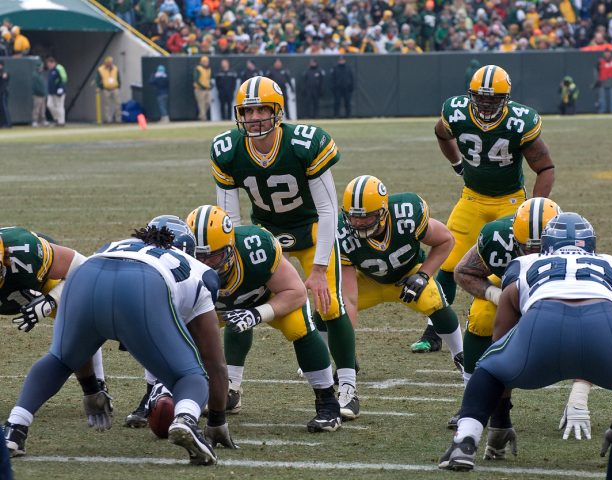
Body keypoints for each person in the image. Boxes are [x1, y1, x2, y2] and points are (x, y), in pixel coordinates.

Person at [5, 218, 236, 465]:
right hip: (142, 285)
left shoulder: (117, 245)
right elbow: (215, 363)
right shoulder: (199, 271)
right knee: (190, 374)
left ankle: (14, 428)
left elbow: (84, 345)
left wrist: (91, 389)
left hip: (85, 275)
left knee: (59, 360)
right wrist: (217, 420)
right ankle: (186, 420)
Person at [439, 212, 612, 471]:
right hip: (605, 323)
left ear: (546, 243)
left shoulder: (524, 263)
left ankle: (465, 442)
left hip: (544, 321)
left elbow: (500, 337)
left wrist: (500, 420)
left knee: (489, 366)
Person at [210, 76, 359, 420]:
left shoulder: (304, 143)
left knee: (330, 304)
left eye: (262, 109)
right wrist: (239, 260)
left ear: (277, 111)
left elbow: (328, 211)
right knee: (238, 300)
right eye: (248, 111)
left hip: (312, 227)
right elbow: (231, 220)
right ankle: (232, 386)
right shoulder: (227, 149)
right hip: (265, 232)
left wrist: (318, 270)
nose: (255, 117)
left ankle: (348, 386)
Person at [413, 64, 555, 350]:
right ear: (471, 95)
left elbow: (545, 168)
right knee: (448, 264)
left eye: (493, 99)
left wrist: (533, 208)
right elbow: (441, 133)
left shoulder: (519, 121)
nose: (486, 104)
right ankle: (435, 330)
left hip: (510, 201)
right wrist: (457, 163)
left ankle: (517, 324)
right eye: (481, 97)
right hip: (472, 198)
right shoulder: (456, 112)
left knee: (506, 267)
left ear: (506, 99)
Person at [187, 205, 341, 431]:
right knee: (178, 332)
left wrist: (256, 314)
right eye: (198, 256)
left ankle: (328, 404)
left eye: (214, 256)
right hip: (213, 308)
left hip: (269, 298)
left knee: (298, 325)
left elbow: (297, 293)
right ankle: (158, 395)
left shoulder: (255, 246)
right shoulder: (181, 260)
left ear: (231, 247)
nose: (205, 264)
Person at [449, 198, 585, 438]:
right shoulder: (498, 237)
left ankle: (581, 400)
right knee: (481, 316)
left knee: (583, 326)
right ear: (514, 237)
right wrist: (494, 294)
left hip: (561, 292)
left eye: (541, 247)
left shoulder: (576, 240)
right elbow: (463, 272)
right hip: (512, 287)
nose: (534, 254)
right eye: (528, 248)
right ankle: (473, 397)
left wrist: (579, 396)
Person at [339, 176, 464, 380]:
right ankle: (330, 360)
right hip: (368, 280)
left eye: (366, 217)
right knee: (329, 308)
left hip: (408, 276)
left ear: (382, 212)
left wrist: (423, 275)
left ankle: (461, 355)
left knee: (435, 301)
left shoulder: (406, 214)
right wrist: (346, 354)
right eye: (353, 216)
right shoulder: (341, 232)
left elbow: (446, 240)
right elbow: (349, 299)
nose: (358, 222)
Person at [1, 226, 107, 455]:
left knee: (78, 315)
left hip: (36, 283)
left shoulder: (26, 251)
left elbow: (85, 269)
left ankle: (97, 385)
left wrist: (50, 300)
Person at [96, 56, 122, 124]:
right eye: (108, 62)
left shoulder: (115, 69)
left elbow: (118, 78)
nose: (110, 64)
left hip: (115, 88)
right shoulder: (100, 69)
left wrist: (119, 86)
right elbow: (98, 79)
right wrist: (99, 87)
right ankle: (108, 119)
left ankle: (118, 119)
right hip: (106, 89)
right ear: (106, 63)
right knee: (106, 105)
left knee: (118, 104)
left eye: (111, 62)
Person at [595, 48, 612, 114]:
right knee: (602, 99)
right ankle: (602, 111)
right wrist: (597, 79)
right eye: (606, 53)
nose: (607, 54)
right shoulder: (600, 61)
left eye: (608, 52)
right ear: (604, 53)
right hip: (602, 81)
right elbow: (596, 71)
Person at [45, 56, 66, 127]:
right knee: (49, 105)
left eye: (49, 65)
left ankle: (61, 122)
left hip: (58, 91)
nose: (49, 66)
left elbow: (64, 79)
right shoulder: (50, 71)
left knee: (59, 106)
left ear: (53, 63)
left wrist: (61, 88)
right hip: (51, 92)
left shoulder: (59, 68)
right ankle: (57, 118)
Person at [193, 56, 212, 121]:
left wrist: (210, 84)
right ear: (201, 62)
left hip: (207, 89)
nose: (205, 63)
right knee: (201, 104)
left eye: (206, 61)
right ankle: (203, 118)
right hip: (199, 89)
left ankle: (201, 116)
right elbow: (196, 79)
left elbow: (208, 79)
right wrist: (202, 86)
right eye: (204, 61)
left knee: (208, 102)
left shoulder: (209, 69)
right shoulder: (198, 69)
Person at [32, 60, 47, 127]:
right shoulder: (35, 75)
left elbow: (44, 85)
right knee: (36, 109)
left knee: (43, 109)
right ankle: (35, 121)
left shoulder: (42, 75)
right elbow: (36, 86)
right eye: (41, 67)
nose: (42, 68)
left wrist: (44, 93)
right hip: (37, 95)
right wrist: (40, 92)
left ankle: (43, 121)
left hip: (43, 95)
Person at [0, 60, 10, 128]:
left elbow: (4, 81)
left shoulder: (4, 72)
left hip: (3, 93)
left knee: (4, 108)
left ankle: (7, 123)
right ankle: (2, 123)